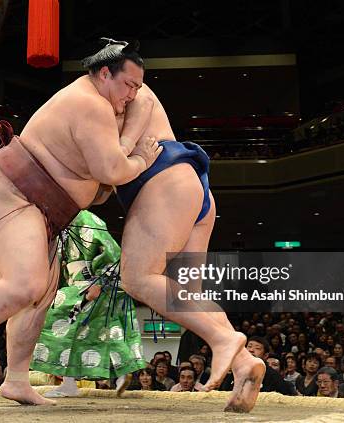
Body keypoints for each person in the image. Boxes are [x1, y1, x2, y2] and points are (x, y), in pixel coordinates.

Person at [0, 38, 161, 404]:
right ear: (105, 74)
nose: (133, 94)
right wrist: (141, 154)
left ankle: (17, 380)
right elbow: (113, 169)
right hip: (17, 195)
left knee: (39, 296)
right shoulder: (90, 104)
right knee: (24, 285)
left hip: (47, 211)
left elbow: (98, 182)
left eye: (137, 87)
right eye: (129, 85)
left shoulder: (98, 105)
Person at [114, 78, 266, 412]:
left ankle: (223, 339)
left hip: (164, 182)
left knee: (137, 277)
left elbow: (106, 169)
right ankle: (243, 363)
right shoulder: (129, 92)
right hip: (192, 188)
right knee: (187, 294)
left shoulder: (108, 96)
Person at [30, 210, 146, 398]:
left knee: (55, 322)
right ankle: (122, 374)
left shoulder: (85, 218)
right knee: (102, 333)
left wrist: (100, 283)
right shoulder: (63, 224)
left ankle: (69, 384)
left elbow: (112, 251)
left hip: (90, 283)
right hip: (78, 283)